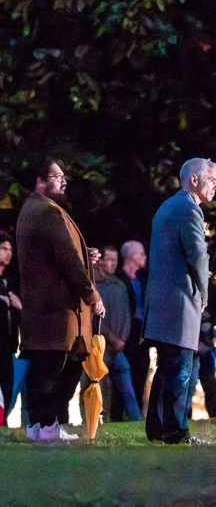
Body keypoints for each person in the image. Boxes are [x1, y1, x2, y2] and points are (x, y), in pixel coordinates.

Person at [16, 156, 105, 441]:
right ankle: (47, 428)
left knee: (46, 370)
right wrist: (92, 295)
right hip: (56, 311)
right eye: (56, 176)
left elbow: (55, 254)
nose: (63, 181)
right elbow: (66, 259)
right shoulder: (47, 212)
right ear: (39, 180)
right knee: (55, 372)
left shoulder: (33, 210)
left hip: (43, 310)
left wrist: (84, 254)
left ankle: (41, 428)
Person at [143, 158, 216, 445]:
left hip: (161, 300)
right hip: (179, 301)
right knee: (180, 370)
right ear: (195, 180)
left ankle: (158, 429)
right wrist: (205, 292)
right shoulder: (189, 209)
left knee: (167, 366)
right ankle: (176, 431)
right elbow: (198, 255)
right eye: (211, 179)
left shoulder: (167, 206)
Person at [94, 244, 142, 421]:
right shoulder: (94, 285)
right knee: (97, 387)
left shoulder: (120, 285)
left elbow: (126, 315)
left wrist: (122, 338)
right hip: (100, 346)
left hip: (118, 347)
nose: (113, 264)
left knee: (127, 388)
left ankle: (136, 421)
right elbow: (96, 316)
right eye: (109, 260)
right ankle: (96, 422)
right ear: (100, 261)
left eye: (115, 260)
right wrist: (112, 337)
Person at [116, 239, 149, 415]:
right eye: (141, 253)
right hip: (126, 334)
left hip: (142, 336)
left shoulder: (143, 280)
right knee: (122, 378)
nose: (144, 257)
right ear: (131, 256)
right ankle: (119, 414)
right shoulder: (118, 279)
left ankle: (136, 416)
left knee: (140, 376)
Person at [0, 231, 22, 424]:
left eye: (10, 249)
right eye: (3, 248)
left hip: (8, 345)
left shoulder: (8, 281)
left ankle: (3, 424)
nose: (8, 253)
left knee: (8, 388)